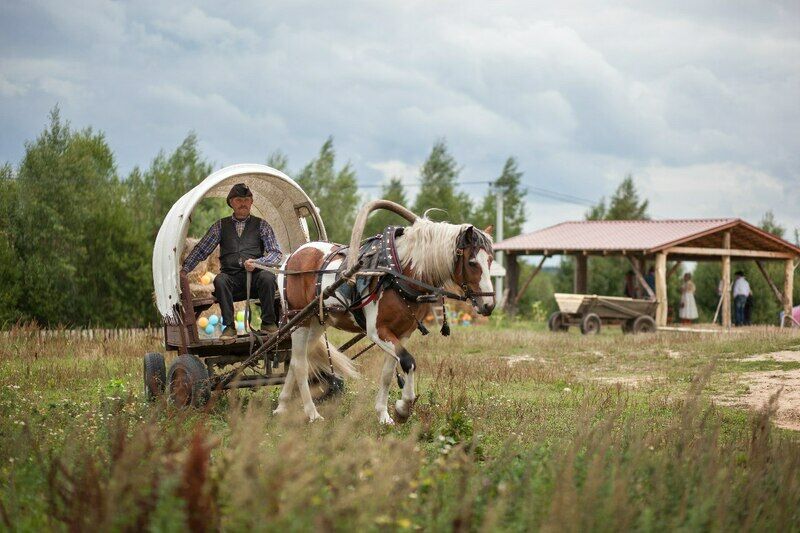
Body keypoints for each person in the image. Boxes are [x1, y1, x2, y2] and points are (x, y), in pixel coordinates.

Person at [182, 183, 282, 338]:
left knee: (268, 278)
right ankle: (229, 328)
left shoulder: (262, 225)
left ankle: (268, 323)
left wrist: (258, 263)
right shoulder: (220, 226)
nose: (243, 203)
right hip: (232, 280)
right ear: (231, 203)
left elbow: (276, 253)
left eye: (246, 199)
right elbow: (202, 249)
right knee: (220, 280)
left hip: (256, 280)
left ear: (251, 201)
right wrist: (185, 269)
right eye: (239, 200)